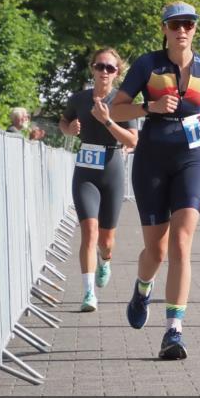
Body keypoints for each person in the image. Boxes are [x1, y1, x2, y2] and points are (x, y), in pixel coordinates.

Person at [111, 2, 200, 360]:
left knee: (181, 243)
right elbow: (117, 108)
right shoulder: (148, 65)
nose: (182, 30)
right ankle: (142, 289)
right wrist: (150, 108)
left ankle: (174, 331)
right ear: (163, 28)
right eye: (175, 24)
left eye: (189, 24)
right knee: (156, 251)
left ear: (195, 29)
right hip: (152, 161)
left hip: (193, 159)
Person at [59, 48, 138, 312]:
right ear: (92, 69)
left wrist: (107, 122)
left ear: (118, 72)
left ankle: (105, 261)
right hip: (85, 172)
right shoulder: (79, 98)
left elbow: (133, 141)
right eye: (100, 66)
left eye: (110, 68)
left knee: (106, 242)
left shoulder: (123, 103)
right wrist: (68, 129)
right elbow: (63, 122)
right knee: (89, 233)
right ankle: (89, 293)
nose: (104, 72)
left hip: (112, 170)